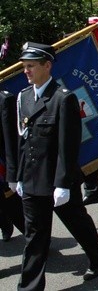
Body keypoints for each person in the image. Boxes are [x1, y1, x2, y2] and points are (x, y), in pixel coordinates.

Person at [14, 42, 98, 288]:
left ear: (47, 65)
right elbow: (24, 143)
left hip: (57, 180)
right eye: (25, 66)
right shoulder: (23, 97)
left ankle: (97, 259)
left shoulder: (63, 98)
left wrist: (63, 184)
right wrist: (20, 177)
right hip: (33, 180)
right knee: (35, 238)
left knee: (78, 223)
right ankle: (29, 287)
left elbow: (69, 146)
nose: (26, 70)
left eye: (31, 65)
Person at [1, 90, 24, 241]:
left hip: (3, 166)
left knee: (12, 203)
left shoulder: (4, 99)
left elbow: (10, 139)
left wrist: (12, 171)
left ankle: (36, 239)